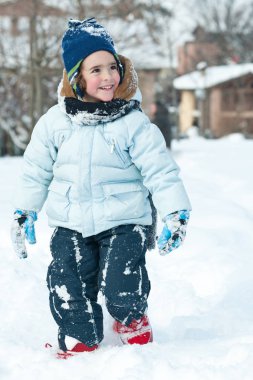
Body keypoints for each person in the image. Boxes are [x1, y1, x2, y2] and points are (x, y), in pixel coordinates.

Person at [11, 18, 191, 358]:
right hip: (70, 222)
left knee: (121, 281)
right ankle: (79, 336)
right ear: (76, 76)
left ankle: (131, 319)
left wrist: (174, 209)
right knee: (67, 282)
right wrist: (25, 209)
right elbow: (35, 170)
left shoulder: (133, 123)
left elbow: (160, 171)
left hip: (124, 221)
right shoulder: (54, 122)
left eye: (113, 66)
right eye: (96, 70)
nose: (108, 76)